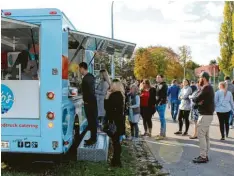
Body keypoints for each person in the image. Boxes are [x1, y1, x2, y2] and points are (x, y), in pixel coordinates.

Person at [192, 71, 214, 164]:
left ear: (203, 78)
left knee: (201, 135)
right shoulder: (207, 88)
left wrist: (197, 100)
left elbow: (195, 98)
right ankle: (205, 155)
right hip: (206, 114)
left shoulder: (206, 88)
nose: (199, 79)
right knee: (205, 136)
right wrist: (198, 101)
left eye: (200, 78)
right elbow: (198, 99)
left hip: (205, 115)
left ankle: (203, 156)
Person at [104, 79, 125, 167]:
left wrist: (107, 96)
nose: (110, 86)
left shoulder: (114, 95)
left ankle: (116, 162)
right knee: (116, 142)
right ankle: (116, 160)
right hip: (118, 121)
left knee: (115, 142)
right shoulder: (120, 95)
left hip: (114, 122)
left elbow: (107, 108)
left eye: (112, 84)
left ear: (115, 85)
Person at [79, 62, 97, 146]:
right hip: (92, 102)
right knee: (92, 121)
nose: (79, 70)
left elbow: (89, 91)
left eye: (80, 69)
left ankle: (93, 139)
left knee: (91, 121)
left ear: (83, 68)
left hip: (89, 103)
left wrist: (86, 101)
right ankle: (93, 138)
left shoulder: (86, 78)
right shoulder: (91, 76)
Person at [155, 75, 168, 140]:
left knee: (162, 119)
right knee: (161, 119)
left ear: (162, 78)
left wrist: (160, 102)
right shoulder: (157, 85)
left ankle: (162, 134)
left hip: (161, 104)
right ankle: (162, 133)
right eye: (157, 77)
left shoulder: (164, 85)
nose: (157, 78)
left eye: (159, 77)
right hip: (158, 104)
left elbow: (164, 95)